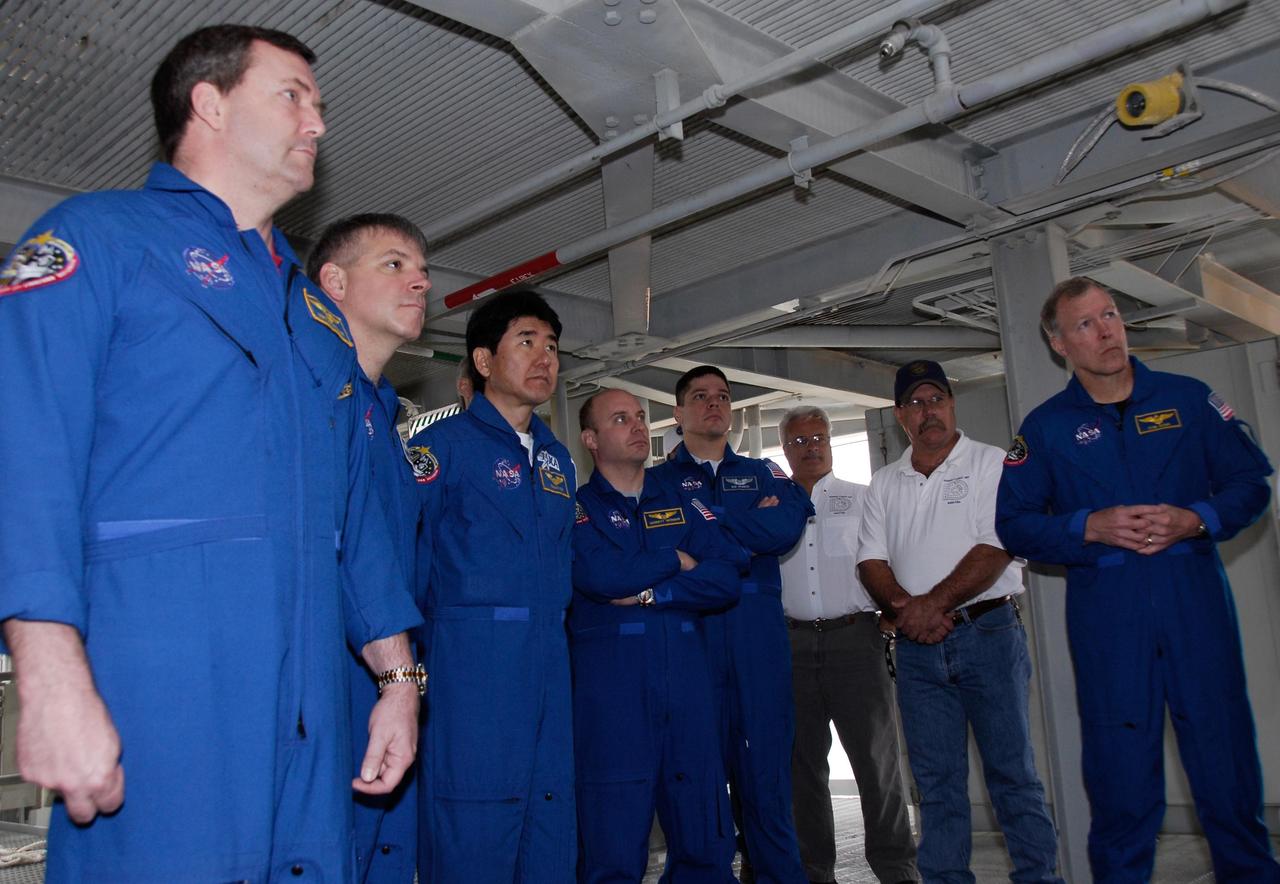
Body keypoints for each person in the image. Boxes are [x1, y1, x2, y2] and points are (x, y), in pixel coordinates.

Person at [0, 25, 422, 881]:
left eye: (320, 104)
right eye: (293, 95)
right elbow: (24, 448)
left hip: (311, 706)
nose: (317, 123)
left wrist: (397, 683)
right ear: (209, 102)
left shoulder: (316, 317)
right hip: (161, 683)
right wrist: (47, 678)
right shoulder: (100, 239)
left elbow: (355, 519)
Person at [995, 278, 1280, 882]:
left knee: (1227, 779)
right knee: (1122, 794)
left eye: (1111, 315)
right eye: (1086, 325)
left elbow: (1250, 483)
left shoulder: (1189, 400)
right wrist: (1086, 527)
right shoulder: (1045, 430)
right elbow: (1014, 524)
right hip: (1110, 628)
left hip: (1195, 612)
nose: (1106, 332)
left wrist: (1197, 519)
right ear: (1058, 344)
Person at [856, 360, 1063, 884]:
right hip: (918, 650)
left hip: (988, 634)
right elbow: (870, 561)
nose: (930, 412)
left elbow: (996, 545)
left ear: (952, 404)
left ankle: (1040, 877)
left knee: (1012, 776)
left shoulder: (992, 464)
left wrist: (930, 607)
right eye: (917, 403)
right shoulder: (884, 482)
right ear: (901, 414)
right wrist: (910, 609)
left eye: (938, 400)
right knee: (937, 782)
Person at [409, 289, 577, 882]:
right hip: (469, 672)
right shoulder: (439, 450)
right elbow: (408, 564)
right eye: (526, 341)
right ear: (483, 362)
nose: (545, 358)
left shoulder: (558, 460)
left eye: (552, 346)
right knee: (472, 826)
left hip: (550, 667)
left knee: (550, 822)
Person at [571, 388, 744, 883]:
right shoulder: (577, 509)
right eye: (621, 419)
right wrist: (675, 560)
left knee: (705, 845)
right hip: (615, 705)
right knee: (612, 850)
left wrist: (654, 594)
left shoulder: (683, 503)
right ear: (591, 439)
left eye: (641, 417)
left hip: (688, 694)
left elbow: (729, 575)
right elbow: (601, 577)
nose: (638, 426)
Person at [652, 365, 814, 884]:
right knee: (696, 791)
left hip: (757, 644)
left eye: (722, 396)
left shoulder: (767, 472)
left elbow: (785, 525)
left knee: (767, 785)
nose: (713, 404)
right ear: (678, 414)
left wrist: (708, 526)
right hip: (691, 641)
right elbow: (663, 547)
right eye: (699, 397)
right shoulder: (655, 482)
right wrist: (748, 530)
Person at [308, 213, 432, 883]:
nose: (421, 279)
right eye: (394, 264)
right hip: (326, 688)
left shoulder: (382, 415)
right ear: (333, 282)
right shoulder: (313, 399)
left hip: (385, 688)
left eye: (422, 269)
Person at [776, 406, 918, 884]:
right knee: (804, 770)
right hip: (792, 647)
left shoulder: (864, 498)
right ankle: (815, 871)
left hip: (857, 642)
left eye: (818, 437)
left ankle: (896, 869)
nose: (810, 446)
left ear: (831, 441)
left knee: (878, 765)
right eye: (799, 441)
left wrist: (893, 619)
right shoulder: (771, 509)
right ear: (785, 448)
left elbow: (897, 561)